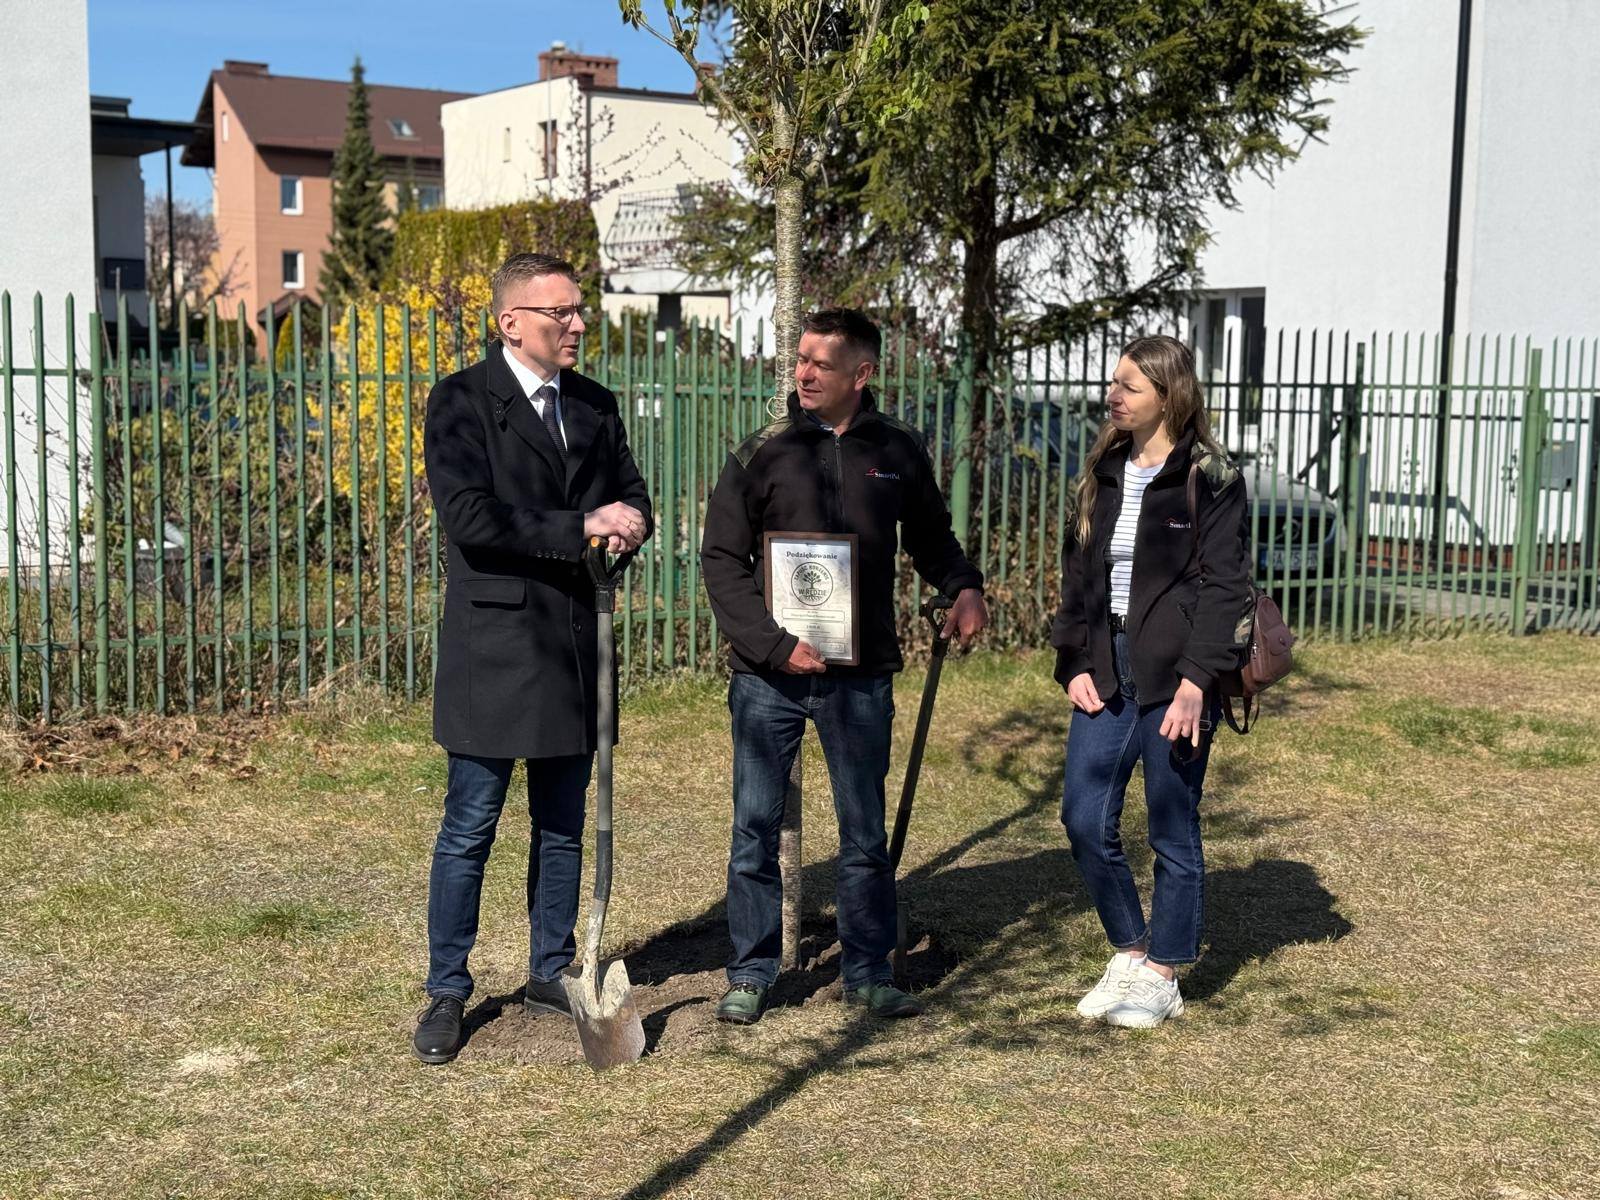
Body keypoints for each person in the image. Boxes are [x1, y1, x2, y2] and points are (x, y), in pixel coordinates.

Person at [700, 307, 988, 1025]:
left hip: (860, 678)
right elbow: (720, 560)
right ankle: (751, 971)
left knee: (864, 832)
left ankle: (866, 973)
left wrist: (964, 587)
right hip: (768, 679)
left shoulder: (896, 449)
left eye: (820, 364)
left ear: (861, 374)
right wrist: (770, 645)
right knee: (754, 828)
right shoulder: (762, 450)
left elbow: (930, 536)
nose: (802, 373)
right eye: (799, 359)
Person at [412, 253, 652, 1064]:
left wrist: (631, 524)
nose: (578, 325)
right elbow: (472, 519)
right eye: (560, 314)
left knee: (560, 823)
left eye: (581, 311)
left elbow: (631, 491)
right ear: (510, 322)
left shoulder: (594, 405)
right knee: (470, 824)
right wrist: (584, 523)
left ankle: (551, 967)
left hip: (573, 647)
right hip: (495, 644)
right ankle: (448, 988)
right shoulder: (459, 402)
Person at [1050, 334, 1252, 1029]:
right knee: (1082, 818)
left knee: (1171, 824)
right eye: (1115, 384)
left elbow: (1227, 587)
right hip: (1107, 668)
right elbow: (1078, 575)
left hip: (1178, 678)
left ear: (1169, 395)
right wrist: (1073, 659)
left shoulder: (1211, 475)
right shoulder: (1105, 466)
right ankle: (1131, 952)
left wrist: (1200, 679)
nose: (1114, 396)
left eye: (1129, 386)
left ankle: (1166, 971)